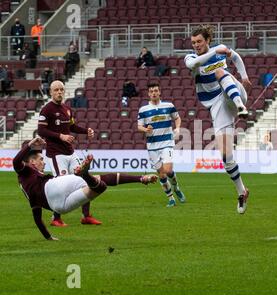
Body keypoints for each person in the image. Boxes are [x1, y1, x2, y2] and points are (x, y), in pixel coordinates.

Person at [13, 137, 158, 240]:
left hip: (58, 206)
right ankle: (139, 178)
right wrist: (31, 144)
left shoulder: (27, 186)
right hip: (52, 187)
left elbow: (37, 219)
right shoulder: (25, 171)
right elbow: (16, 161)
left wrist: (48, 237)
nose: (43, 163)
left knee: (99, 187)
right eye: (41, 160)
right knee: (99, 179)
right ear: (31, 162)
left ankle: (86, 175)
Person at [184, 24, 250, 213]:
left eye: (199, 41)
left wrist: (244, 77)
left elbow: (235, 56)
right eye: (194, 42)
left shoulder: (220, 50)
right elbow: (192, 65)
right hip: (217, 105)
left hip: (234, 92)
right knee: (225, 156)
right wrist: (215, 52)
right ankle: (242, 192)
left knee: (220, 72)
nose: (196, 45)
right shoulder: (191, 57)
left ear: (207, 40)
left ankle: (241, 106)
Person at [37, 80, 101, 227]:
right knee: (62, 185)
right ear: (51, 92)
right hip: (56, 154)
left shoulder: (67, 109)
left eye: (61, 89)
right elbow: (41, 131)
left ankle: (86, 216)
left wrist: (86, 131)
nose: (59, 92)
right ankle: (56, 218)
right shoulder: (46, 109)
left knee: (85, 179)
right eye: (56, 90)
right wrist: (61, 136)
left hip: (70, 153)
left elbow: (71, 126)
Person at [137, 83, 186, 207]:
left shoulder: (169, 106)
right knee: (161, 174)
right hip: (152, 146)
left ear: (159, 92)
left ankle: (176, 187)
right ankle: (171, 198)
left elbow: (177, 118)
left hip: (167, 143)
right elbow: (139, 126)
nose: (154, 93)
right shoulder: (143, 110)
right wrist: (145, 130)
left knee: (168, 170)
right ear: (148, 94)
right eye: (151, 91)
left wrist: (178, 128)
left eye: (156, 91)